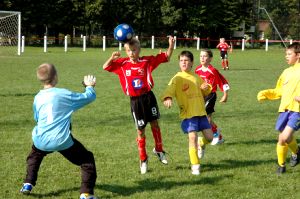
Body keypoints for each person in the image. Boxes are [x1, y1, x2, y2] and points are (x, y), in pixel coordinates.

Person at [20, 63, 98, 199]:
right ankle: (86, 193)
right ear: (55, 77)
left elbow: (36, 117)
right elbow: (88, 97)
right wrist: (89, 86)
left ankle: (28, 183)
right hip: (62, 140)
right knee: (87, 160)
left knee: (34, 157)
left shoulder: (38, 97)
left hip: (41, 139)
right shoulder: (63, 94)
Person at [102, 36, 175, 174]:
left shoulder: (147, 61)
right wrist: (112, 57)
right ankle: (143, 159)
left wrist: (170, 45)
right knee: (140, 130)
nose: (131, 53)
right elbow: (105, 67)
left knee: (155, 124)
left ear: (139, 50)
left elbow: (166, 57)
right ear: (126, 51)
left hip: (149, 97)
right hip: (135, 101)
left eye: (134, 50)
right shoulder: (122, 64)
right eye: (129, 51)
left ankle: (159, 150)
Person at [161, 50, 213, 175]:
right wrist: (168, 97)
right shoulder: (177, 78)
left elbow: (206, 90)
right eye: (181, 61)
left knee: (210, 138)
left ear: (191, 63)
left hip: (201, 112)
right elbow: (169, 89)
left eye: (186, 60)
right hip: (188, 114)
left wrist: (206, 88)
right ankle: (195, 165)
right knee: (192, 137)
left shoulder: (196, 77)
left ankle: (202, 143)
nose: (183, 63)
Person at [257, 43, 300, 174]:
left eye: (289, 54)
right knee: (283, 138)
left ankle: (281, 166)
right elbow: (279, 90)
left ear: (298, 55)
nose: (286, 57)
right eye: (285, 54)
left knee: (285, 136)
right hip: (284, 110)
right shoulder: (286, 72)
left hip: (297, 110)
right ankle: (293, 156)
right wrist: (266, 93)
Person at [195, 49, 230, 145]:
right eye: (201, 56)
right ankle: (219, 135)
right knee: (205, 117)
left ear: (210, 59)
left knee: (207, 117)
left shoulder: (213, 70)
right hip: (201, 96)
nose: (202, 58)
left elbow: (222, 81)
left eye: (205, 56)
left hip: (211, 95)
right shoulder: (197, 70)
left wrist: (225, 95)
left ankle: (215, 135)